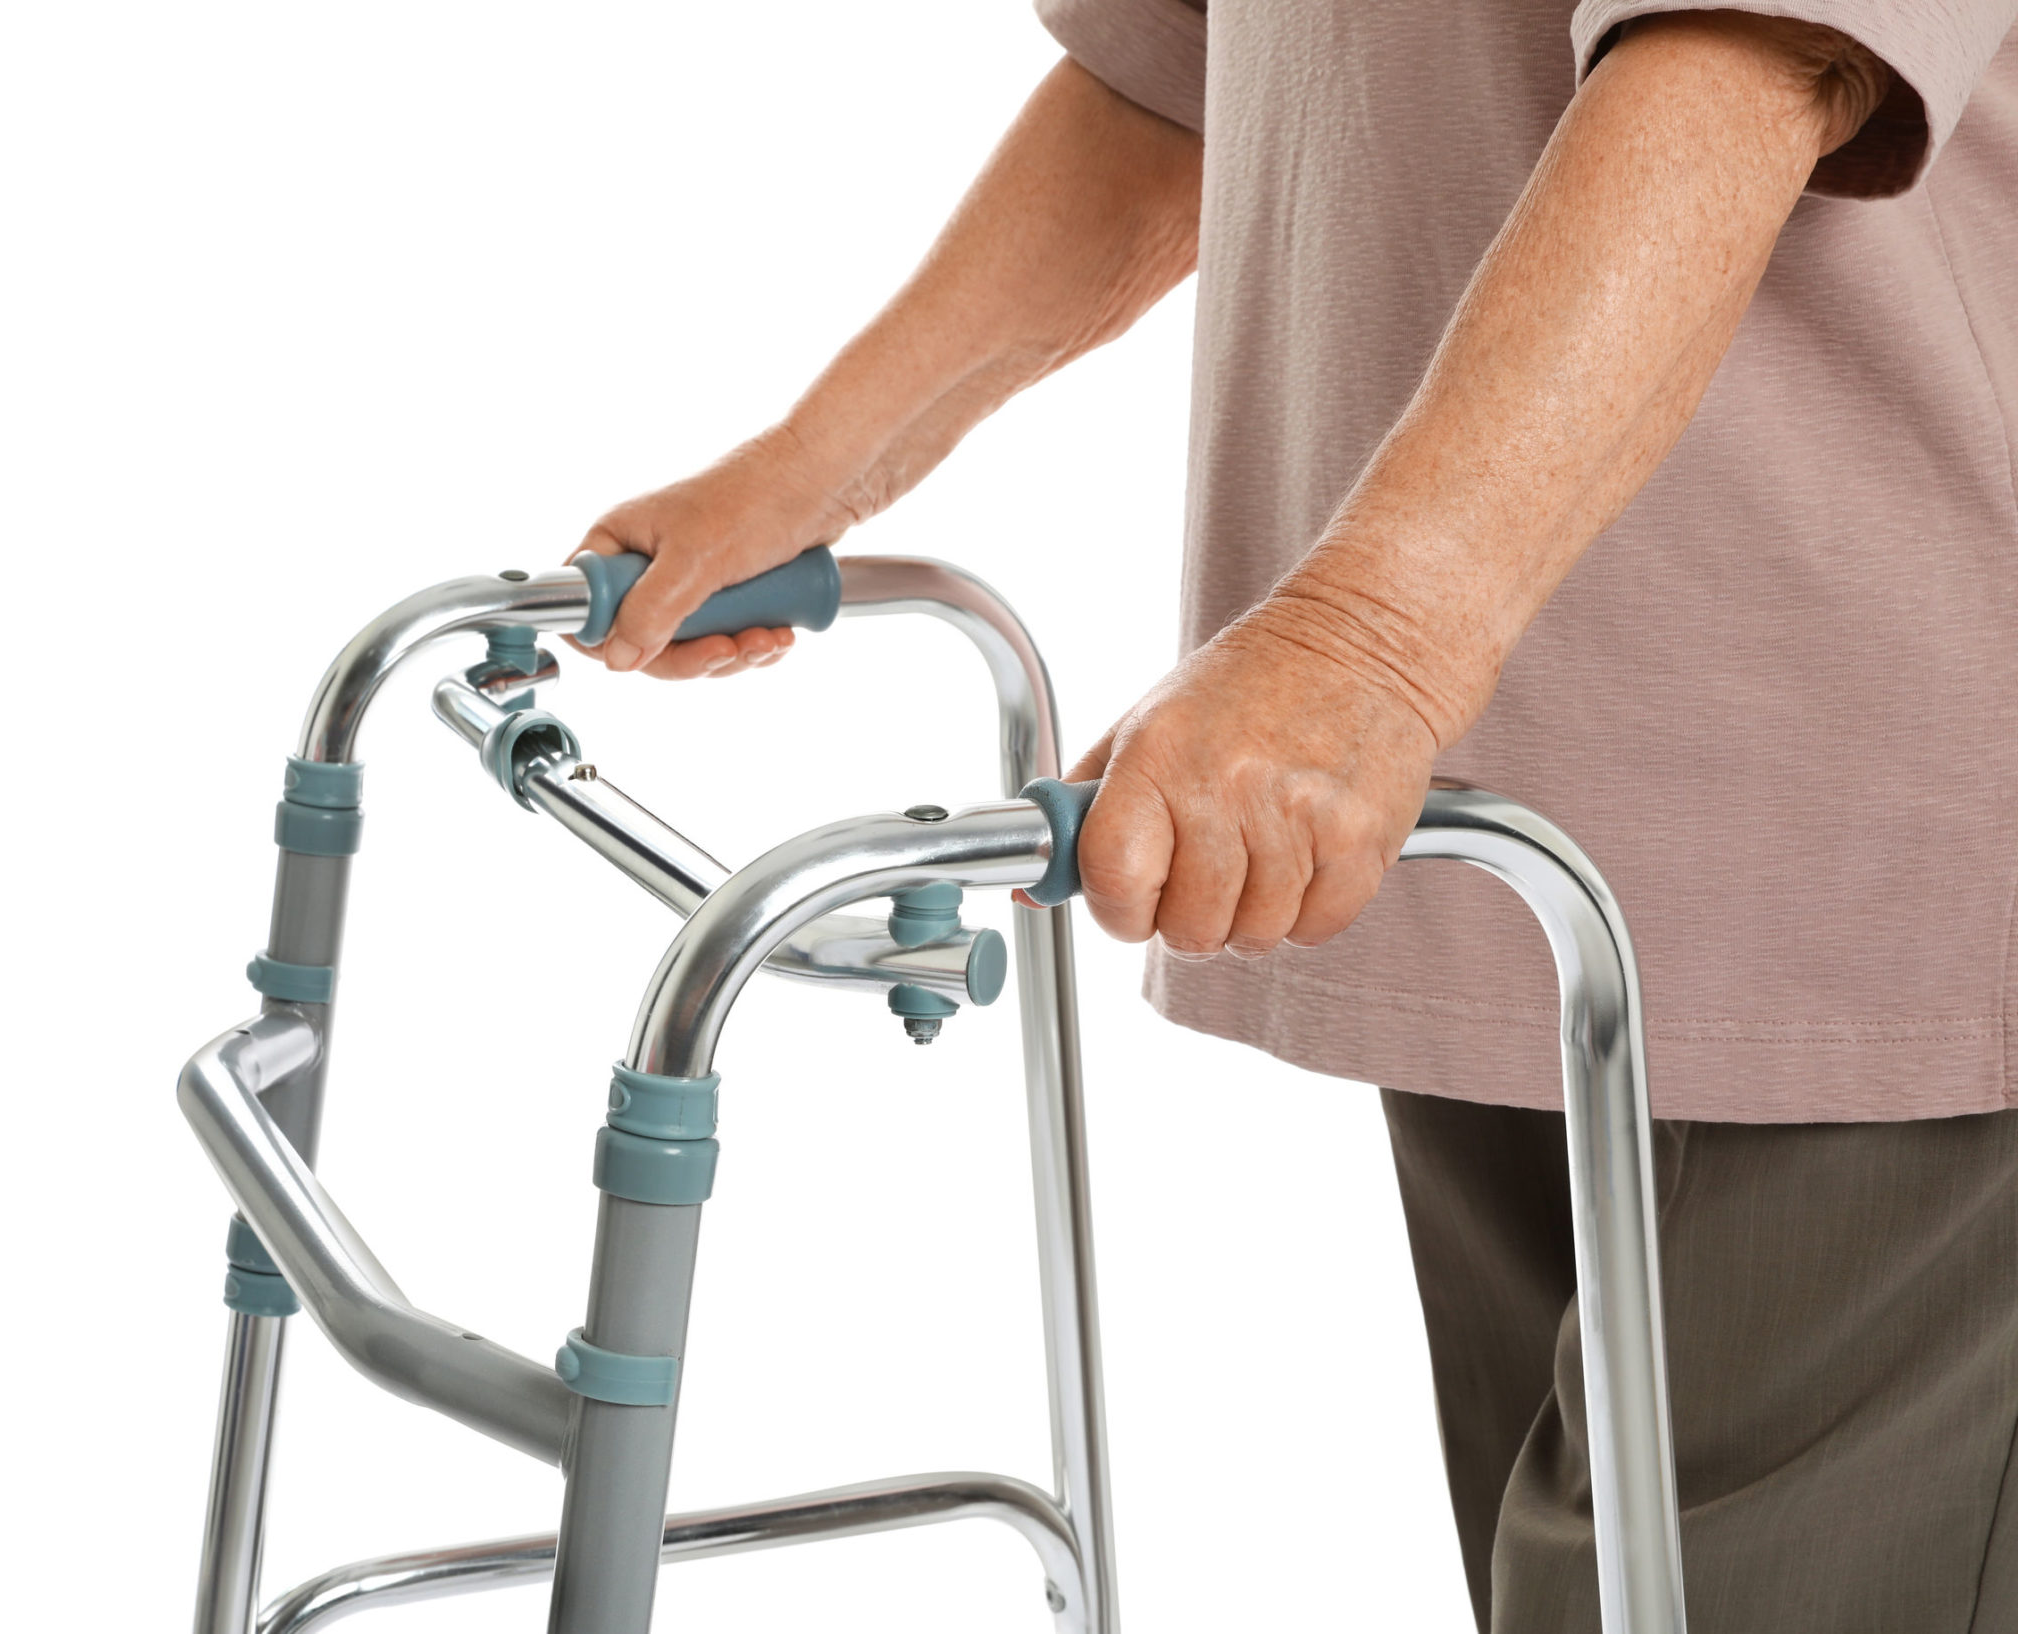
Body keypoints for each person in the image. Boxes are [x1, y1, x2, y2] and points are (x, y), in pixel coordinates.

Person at [572, 5, 2018, 1627]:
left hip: (1859, 846)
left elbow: (1753, 61)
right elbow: (1183, 86)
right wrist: (810, 470)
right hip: (1502, 849)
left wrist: (1362, 651)